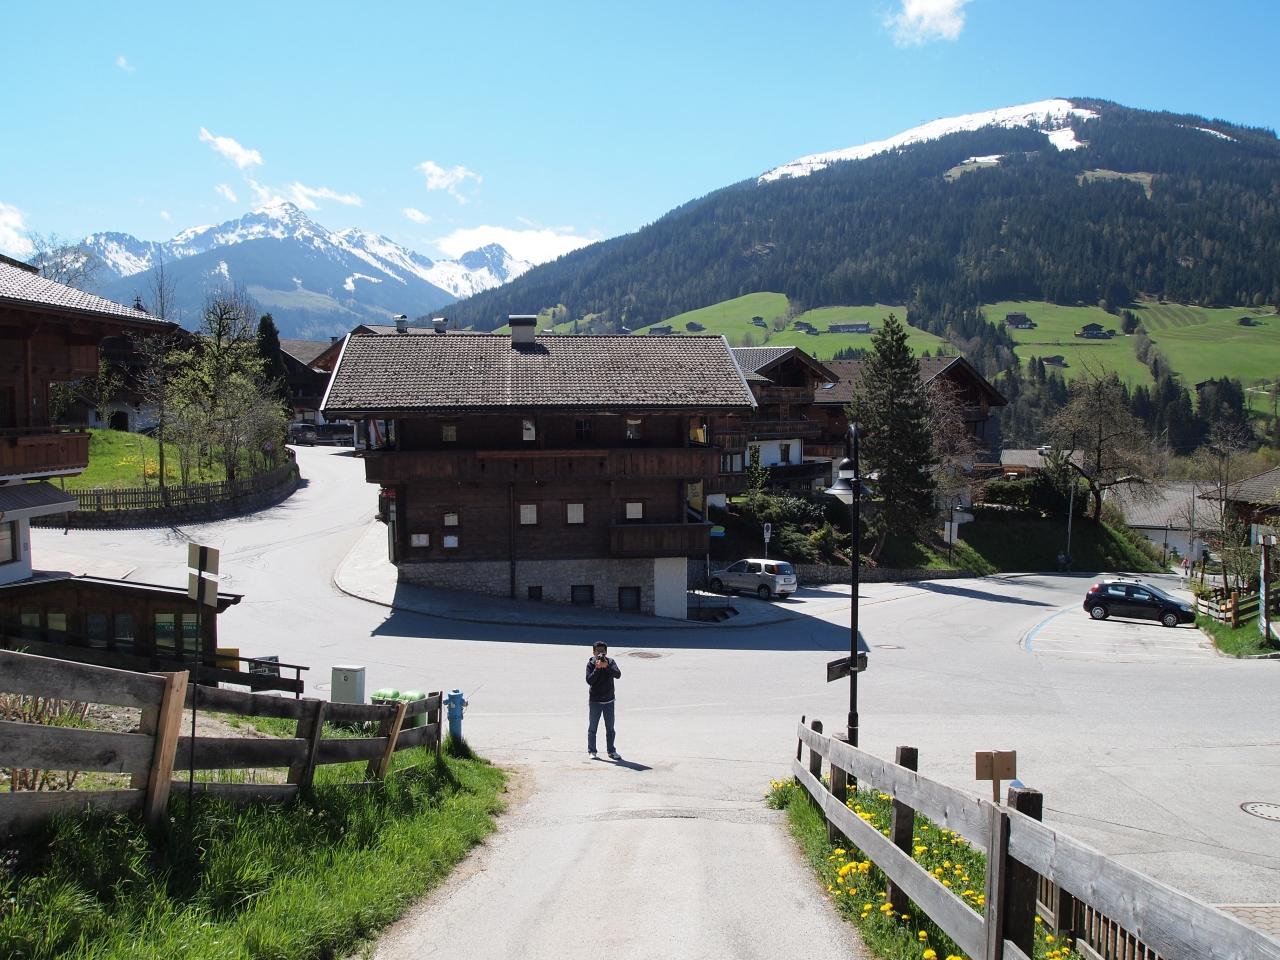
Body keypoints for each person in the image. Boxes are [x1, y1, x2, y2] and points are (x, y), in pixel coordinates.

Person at [586, 641, 622, 760]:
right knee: (593, 728)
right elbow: (589, 680)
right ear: (594, 652)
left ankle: (611, 751)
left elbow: (618, 675)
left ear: (606, 652)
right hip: (595, 701)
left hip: (609, 701)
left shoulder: (610, 662)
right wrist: (597, 668)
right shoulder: (591, 664)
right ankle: (592, 751)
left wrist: (606, 667)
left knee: (610, 729)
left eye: (603, 651)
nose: (601, 654)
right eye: (598, 652)